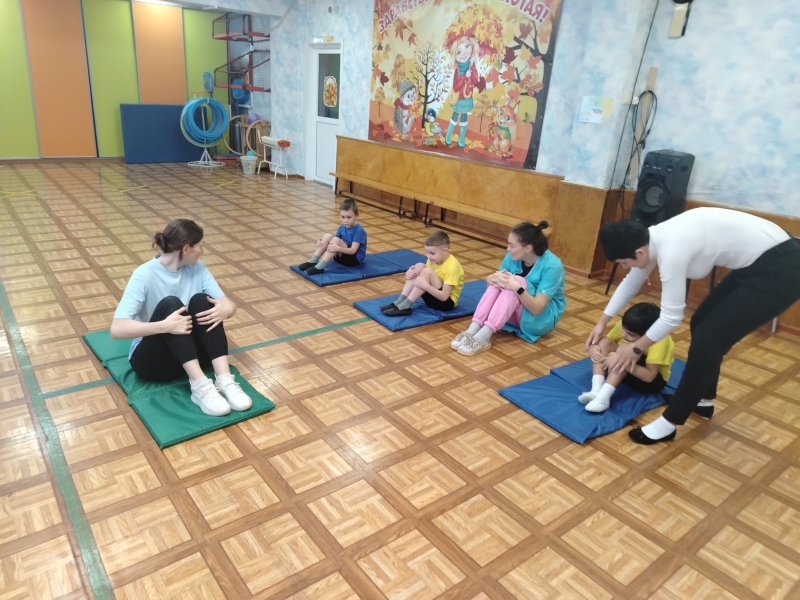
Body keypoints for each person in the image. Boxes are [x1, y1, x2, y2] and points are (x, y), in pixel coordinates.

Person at [587, 207, 800, 444]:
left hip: (782, 269)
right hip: (760, 263)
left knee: (708, 342)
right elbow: (630, 283)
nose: (625, 267)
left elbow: (671, 317)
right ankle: (704, 400)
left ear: (638, 252)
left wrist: (636, 348)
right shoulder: (650, 240)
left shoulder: (671, 249)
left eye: (624, 262)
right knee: (700, 322)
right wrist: (602, 322)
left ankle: (669, 422)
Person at [110, 219, 252, 417]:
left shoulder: (198, 268)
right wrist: (164, 326)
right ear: (186, 249)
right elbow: (116, 329)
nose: (202, 251)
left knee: (202, 300)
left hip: (191, 357)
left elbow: (229, 305)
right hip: (155, 364)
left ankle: (225, 380)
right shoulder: (143, 274)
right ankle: (201, 387)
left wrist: (225, 310)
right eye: (200, 246)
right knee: (171, 304)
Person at [452, 221, 566, 356]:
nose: (508, 249)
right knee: (501, 278)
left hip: (540, 320)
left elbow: (537, 309)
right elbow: (495, 290)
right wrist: (490, 280)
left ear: (528, 248)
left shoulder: (552, 266)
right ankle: (474, 327)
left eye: (512, 245)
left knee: (515, 281)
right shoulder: (512, 256)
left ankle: (485, 335)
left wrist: (517, 287)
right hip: (512, 314)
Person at [580, 302, 674, 412]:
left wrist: (620, 359)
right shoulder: (627, 325)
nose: (624, 334)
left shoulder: (660, 341)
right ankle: (596, 390)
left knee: (623, 351)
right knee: (604, 341)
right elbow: (607, 343)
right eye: (623, 329)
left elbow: (649, 377)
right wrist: (593, 348)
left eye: (631, 334)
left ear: (647, 335)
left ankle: (603, 398)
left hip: (650, 382)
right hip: (629, 372)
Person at [381, 230, 464, 317]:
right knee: (419, 266)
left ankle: (406, 306)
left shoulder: (452, 266)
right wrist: (411, 271)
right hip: (433, 297)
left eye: (432, 253)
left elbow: (444, 297)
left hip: (445, 303)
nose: (428, 256)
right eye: (427, 252)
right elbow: (423, 273)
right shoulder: (432, 260)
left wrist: (425, 286)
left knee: (427, 271)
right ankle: (400, 301)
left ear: (445, 251)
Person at [298, 198, 367, 275]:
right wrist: (321, 242)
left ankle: (321, 266)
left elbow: (353, 251)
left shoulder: (359, 230)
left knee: (336, 240)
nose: (345, 221)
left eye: (349, 217)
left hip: (353, 260)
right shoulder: (342, 227)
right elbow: (334, 240)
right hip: (341, 256)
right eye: (343, 217)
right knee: (327, 236)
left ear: (357, 215)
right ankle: (313, 261)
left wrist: (337, 248)